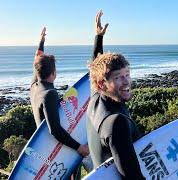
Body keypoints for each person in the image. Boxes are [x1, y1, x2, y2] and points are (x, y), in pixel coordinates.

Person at [87, 10, 145, 179]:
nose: (126, 81)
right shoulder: (115, 123)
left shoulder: (96, 97)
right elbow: (132, 177)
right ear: (101, 84)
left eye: (127, 74)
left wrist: (98, 37)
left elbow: (95, 68)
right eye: (118, 77)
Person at [30, 27, 89, 179]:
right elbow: (55, 129)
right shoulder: (49, 93)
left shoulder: (34, 87)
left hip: (44, 148)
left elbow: (36, 59)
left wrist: (41, 41)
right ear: (54, 74)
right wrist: (79, 147)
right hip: (59, 149)